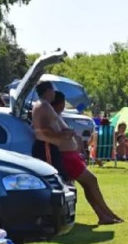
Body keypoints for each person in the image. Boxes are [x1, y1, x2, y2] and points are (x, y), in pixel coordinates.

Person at [32, 80, 122, 224]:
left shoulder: (46, 105)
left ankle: (104, 215)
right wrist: (61, 136)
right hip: (62, 154)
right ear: (48, 90)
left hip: (68, 154)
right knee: (91, 180)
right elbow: (40, 131)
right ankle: (107, 213)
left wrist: (67, 134)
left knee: (88, 183)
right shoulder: (42, 105)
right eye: (53, 90)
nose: (54, 93)